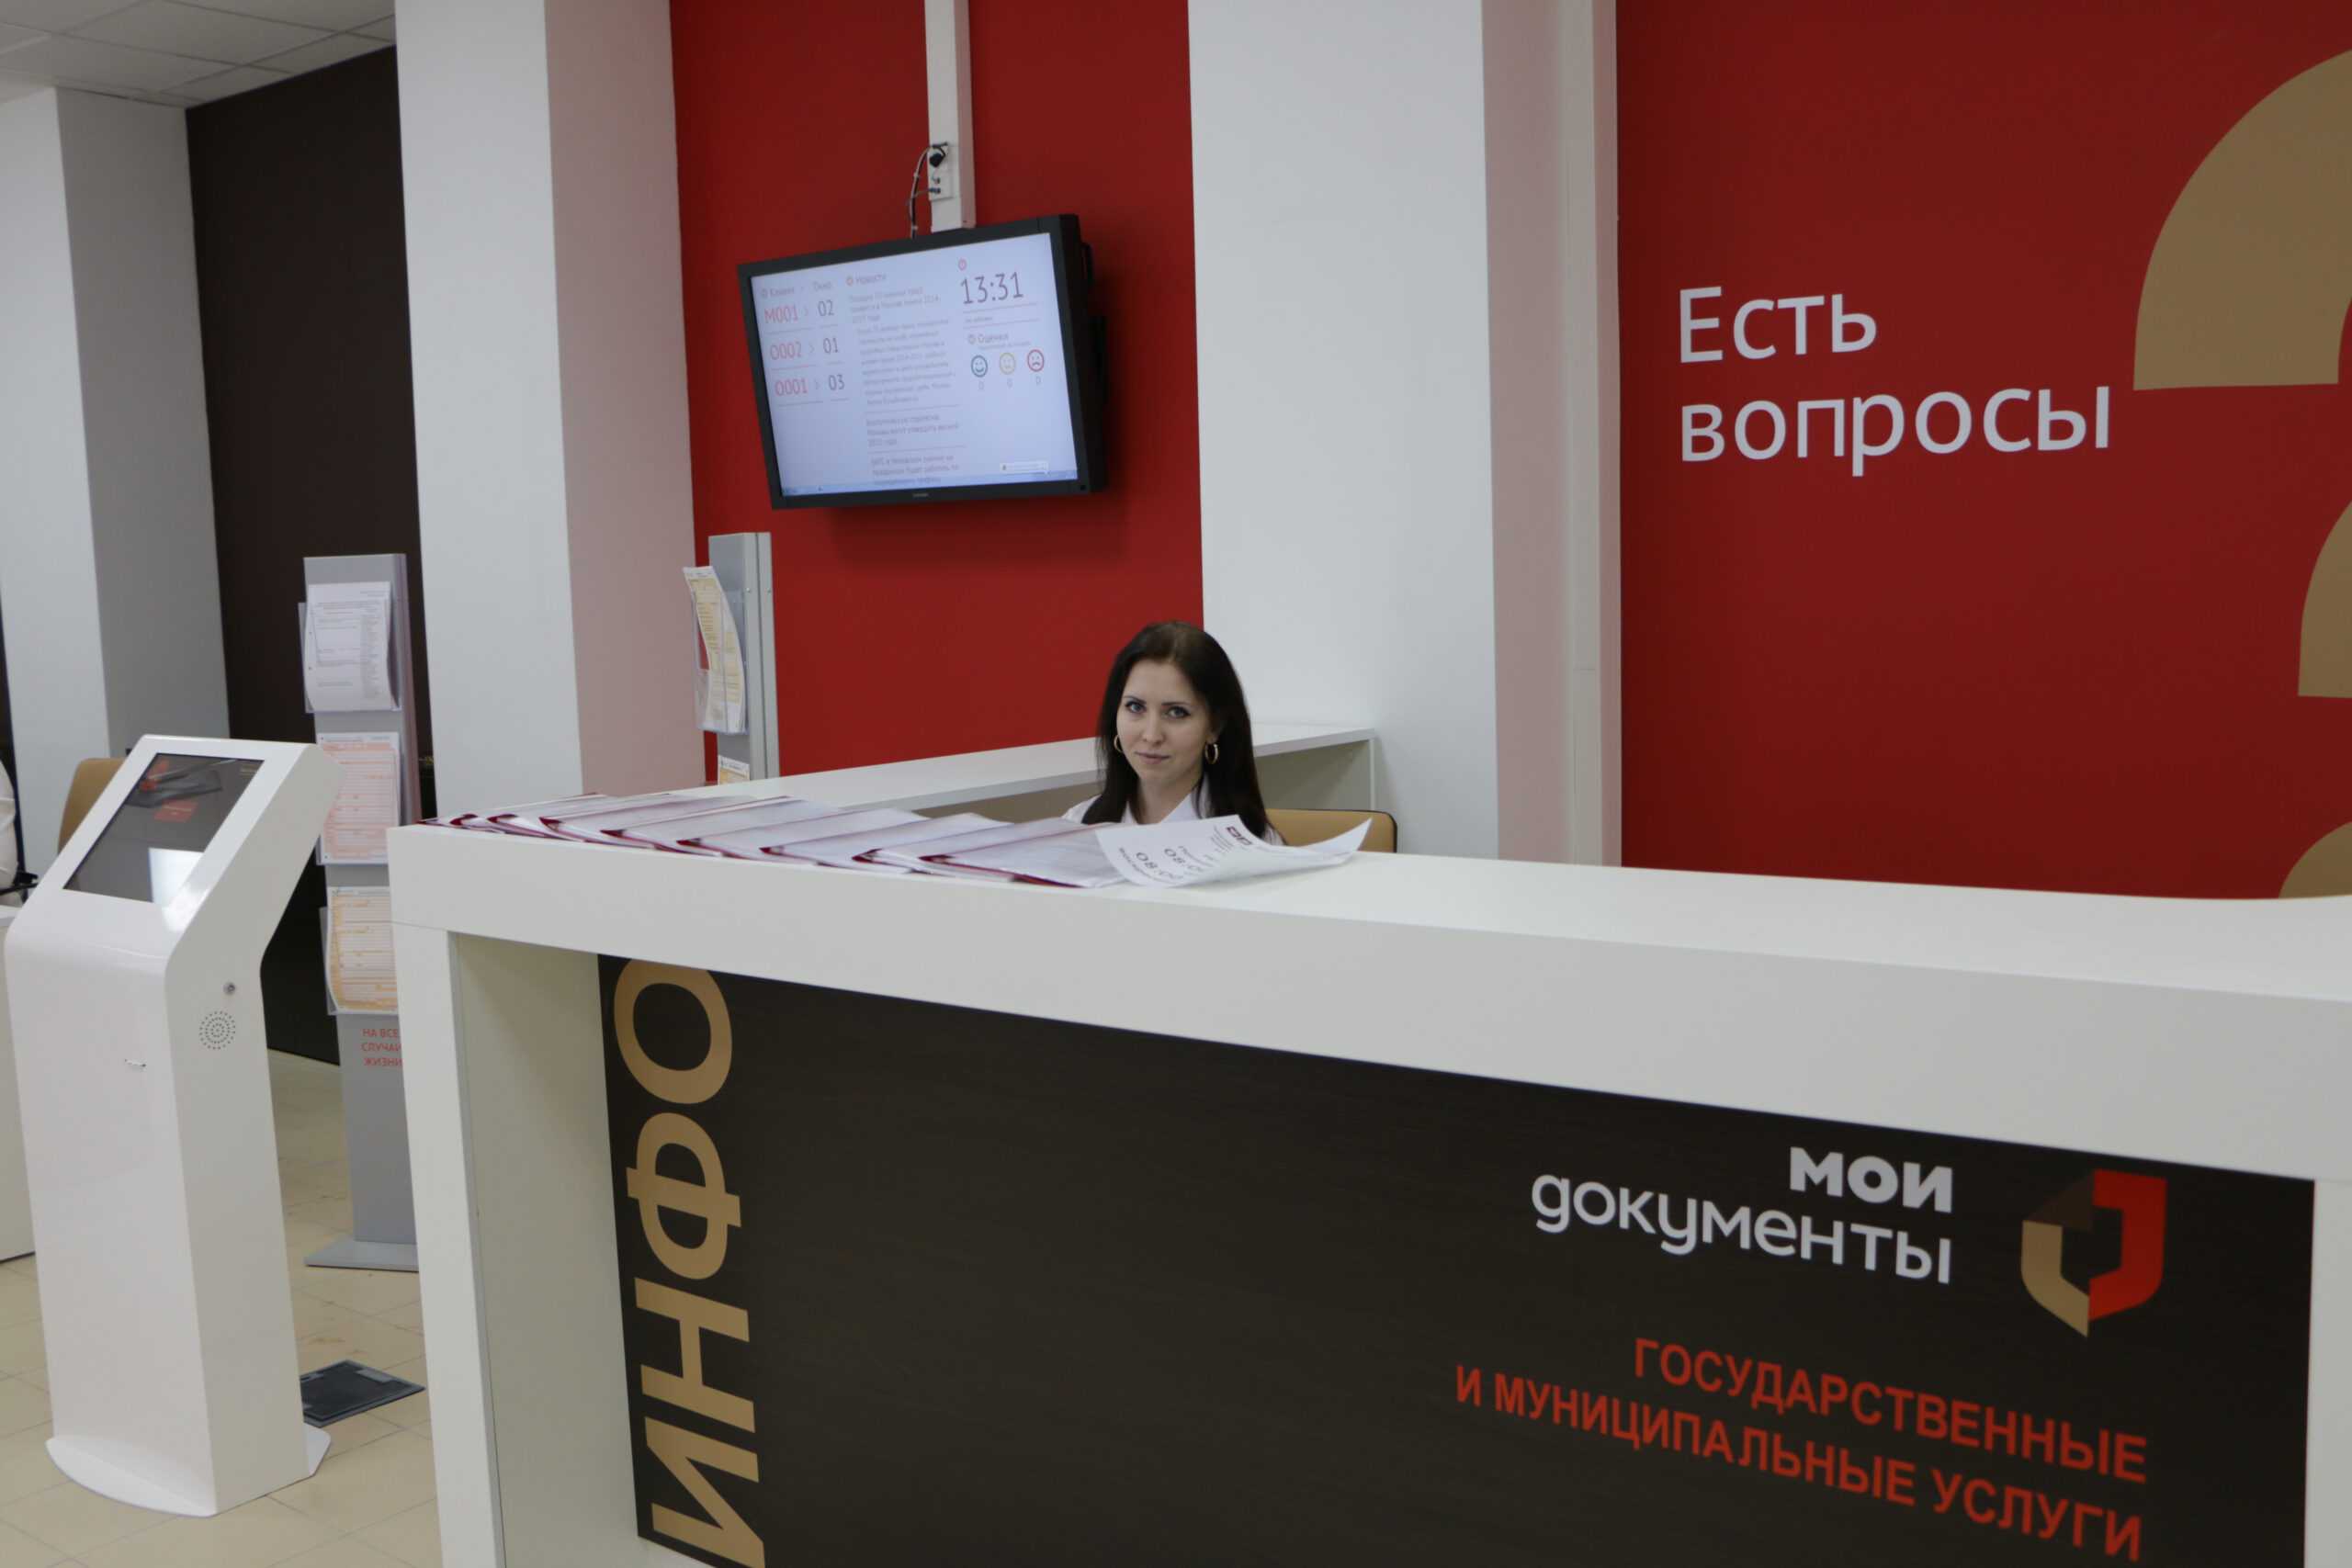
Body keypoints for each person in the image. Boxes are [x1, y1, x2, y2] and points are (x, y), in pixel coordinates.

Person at [1063, 621, 1282, 841]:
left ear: (1215, 726)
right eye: (1135, 707)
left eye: (1177, 712)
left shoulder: (1255, 843)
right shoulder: (1076, 826)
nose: (1151, 736)